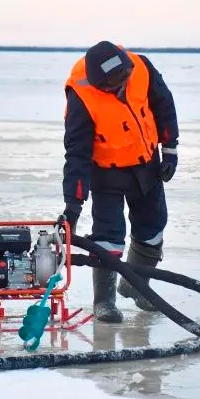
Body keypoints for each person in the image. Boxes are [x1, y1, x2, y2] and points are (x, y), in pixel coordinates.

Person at [58, 41, 179, 323]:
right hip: (106, 172)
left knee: (153, 227)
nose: (121, 87)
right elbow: (76, 153)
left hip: (146, 164)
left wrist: (170, 150)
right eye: (113, 85)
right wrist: (73, 204)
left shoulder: (142, 68)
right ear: (100, 84)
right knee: (108, 236)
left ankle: (138, 286)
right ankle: (104, 301)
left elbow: (164, 106)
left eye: (124, 79)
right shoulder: (81, 97)